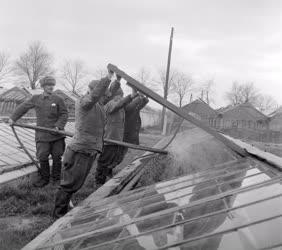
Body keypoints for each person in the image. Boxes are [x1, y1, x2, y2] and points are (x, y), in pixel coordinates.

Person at [53, 67, 113, 218]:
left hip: (89, 150)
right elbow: (95, 96)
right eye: (102, 94)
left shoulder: (99, 106)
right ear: (93, 92)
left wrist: (116, 81)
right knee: (69, 184)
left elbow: (106, 97)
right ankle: (58, 215)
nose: (105, 97)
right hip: (80, 150)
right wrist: (107, 77)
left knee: (76, 183)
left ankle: (64, 208)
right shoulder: (84, 102)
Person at [9, 76, 68, 187]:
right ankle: (45, 179)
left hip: (57, 135)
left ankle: (56, 179)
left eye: (52, 85)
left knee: (57, 156)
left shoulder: (58, 99)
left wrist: (58, 126)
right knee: (42, 156)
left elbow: (64, 114)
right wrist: (13, 118)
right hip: (42, 135)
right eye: (48, 85)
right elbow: (23, 107)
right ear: (43, 86)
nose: (51, 87)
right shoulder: (36, 99)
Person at [95, 78, 138, 185]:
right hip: (109, 139)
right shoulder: (110, 104)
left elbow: (122, 106)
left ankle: (105, 177)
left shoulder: (121, 107)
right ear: (115, 96)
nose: (121, 97)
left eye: (122, 95)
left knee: (112, 160)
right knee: (103, 161)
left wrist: (137, 97)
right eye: (119, 95)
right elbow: (118, 105)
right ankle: (99, 181)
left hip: (117, 139)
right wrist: (131, 96)